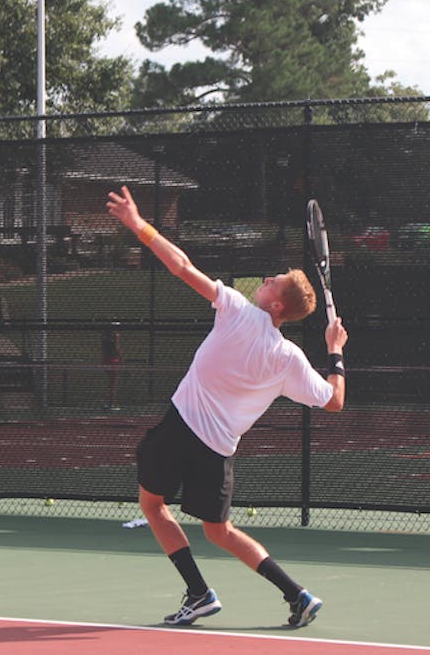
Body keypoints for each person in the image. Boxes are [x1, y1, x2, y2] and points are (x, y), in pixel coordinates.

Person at [106, 186, 348, 628]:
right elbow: (335, 401)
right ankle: (298, 595)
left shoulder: (236, 308)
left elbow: (181, 266)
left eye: (272, 281)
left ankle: (198, 593)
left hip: (180, 430)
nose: (266, 280)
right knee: (219, 531)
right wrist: (335, 351)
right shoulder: (289, 358)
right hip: (219, 451)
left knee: (152, 505)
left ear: (276, 304)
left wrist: (138, 225)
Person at [101, 323, 122, 410]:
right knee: (113, 383)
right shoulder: (115, 335)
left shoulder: (104, 336)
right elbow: (117, 348)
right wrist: (121, 357)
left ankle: (107, 402)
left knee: (110, 382)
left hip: (106, 360)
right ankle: (111, 403)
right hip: (113, 360)